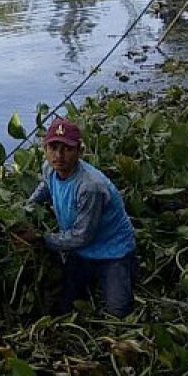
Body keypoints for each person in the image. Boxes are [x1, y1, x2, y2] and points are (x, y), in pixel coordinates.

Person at [16, 118, 137, 317]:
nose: (58, 156)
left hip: (112, 251)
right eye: (53, 148)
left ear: (80, 152)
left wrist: (41, 238)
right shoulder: (50, 168)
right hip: (80, 251)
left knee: (119, 312)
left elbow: (82, 237)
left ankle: (128, 267)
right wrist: (25, 209)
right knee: (64, 305)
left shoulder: (90, 186)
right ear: (45, 149)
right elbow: (45, 187)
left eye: (67, 149)